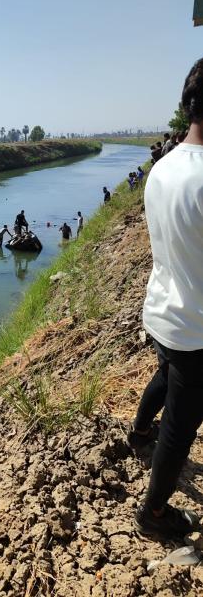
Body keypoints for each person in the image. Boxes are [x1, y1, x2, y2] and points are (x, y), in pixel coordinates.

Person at [128, 58, 203, 541]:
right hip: (196, 326)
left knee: (165, 374)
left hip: (163, 309)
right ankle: (153, 515)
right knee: (182, 424)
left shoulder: (164, 166)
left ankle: (137, 434)